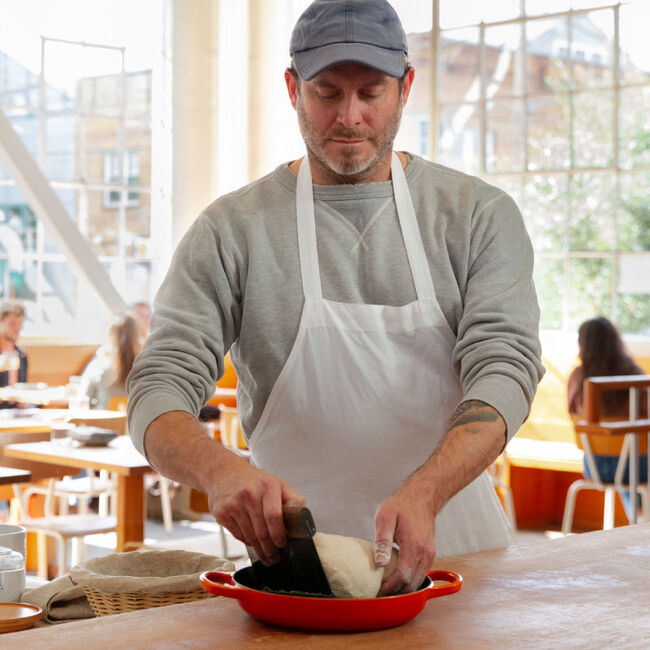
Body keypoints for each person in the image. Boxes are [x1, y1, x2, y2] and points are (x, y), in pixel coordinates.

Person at [128, 0, 544, 595]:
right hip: (297, 577)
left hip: (460, 568)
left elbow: (505, 369)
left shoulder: (477, 216)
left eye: (370, 93)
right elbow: (157, 386)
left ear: (406, 88)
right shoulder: (232, 230)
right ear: (293, 88)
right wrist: (220, 470)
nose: (349, 117)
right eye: (327, 93)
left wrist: (425, 493)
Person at [567, 316, 647, 519]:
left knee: (626, 456)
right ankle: (639, 520)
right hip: (636, 465)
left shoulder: (578, 379)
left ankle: (638, 518)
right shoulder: (634, 375)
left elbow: (573, 415)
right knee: (632, 453)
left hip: (595, 465)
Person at [79, 312, 142, 410]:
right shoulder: (145, 370)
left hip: (102, 424)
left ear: (109, 338)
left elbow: (82, 400)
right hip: (135, 424)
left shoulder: (98, 367)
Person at [0, 300, 28, 409]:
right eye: (12, 324)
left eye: (20, 324)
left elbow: (23, 388)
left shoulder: (22, 355)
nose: (17, 329)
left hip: (16, 414)